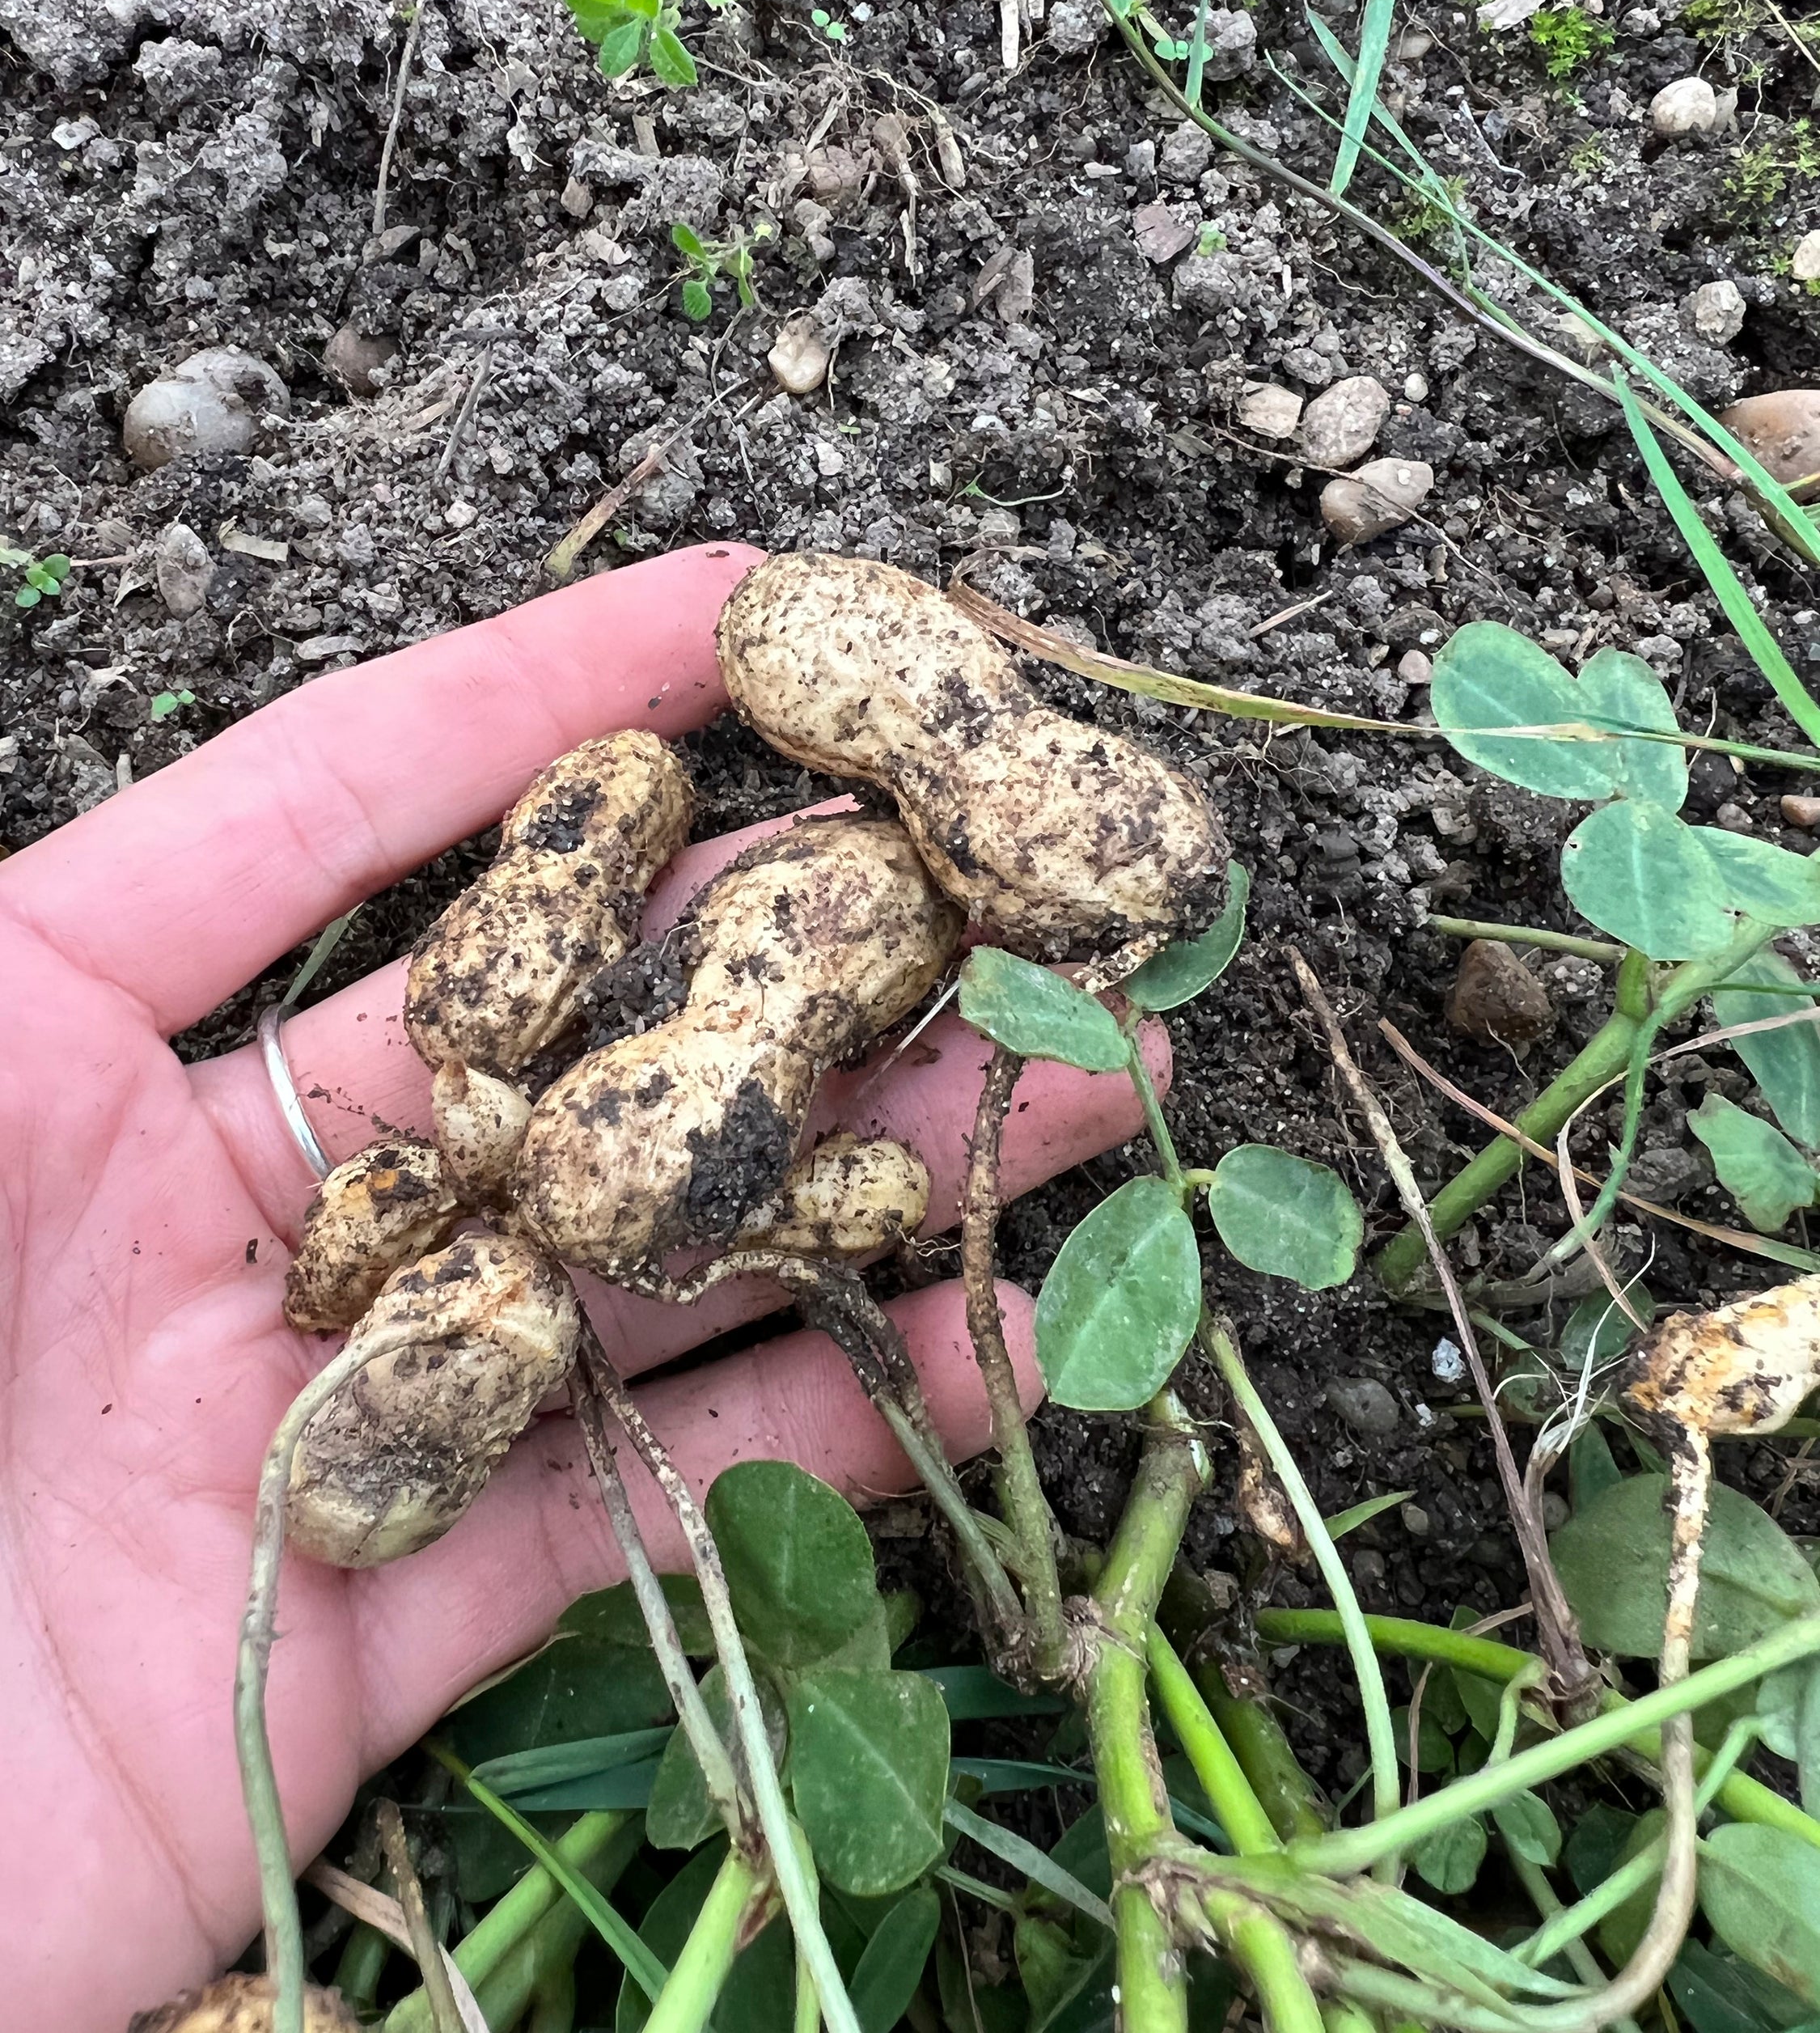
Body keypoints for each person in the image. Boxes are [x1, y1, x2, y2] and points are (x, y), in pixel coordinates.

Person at [0, 543, 1166, 2030]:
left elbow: (841, 1186)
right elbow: (838, 1187)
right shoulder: (509, 1126)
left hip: (741, 1024)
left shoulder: (550, 1103)